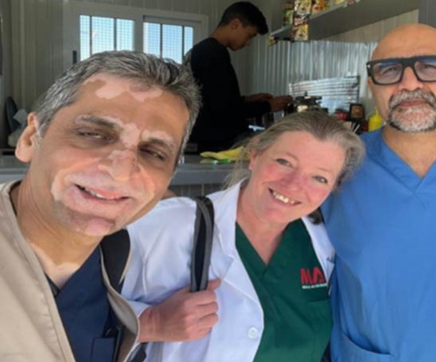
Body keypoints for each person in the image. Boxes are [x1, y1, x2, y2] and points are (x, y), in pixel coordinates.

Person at [322, 24, 436, 362]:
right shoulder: (333, 164)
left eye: (431, 66)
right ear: (372, 87)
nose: (409, 83)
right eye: (389, 70)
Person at [0, 50, 202, 362]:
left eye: (153, 152)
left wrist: (149, 324)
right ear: (29, 138)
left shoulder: (117, 253)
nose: (121, 171)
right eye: (93, 134)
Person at [122, 111, 365, 362]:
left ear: (333, 188)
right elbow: (82, 302)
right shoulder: (168, 226)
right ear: (255, 155)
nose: (294, 185)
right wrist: (153, 323)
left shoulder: (321, 244)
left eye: (319, 177)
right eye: (284, 162)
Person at [185, 1, 292, 153]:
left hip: (203, 139)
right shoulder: (214, 53)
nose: (248, 43)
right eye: (250, 36)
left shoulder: (201, 50)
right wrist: (268, 106)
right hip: (212, 144)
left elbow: (211, 98)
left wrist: (247, 99)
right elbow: (222, 110)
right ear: (235, 24)